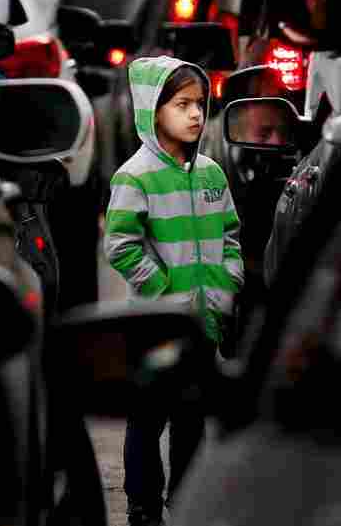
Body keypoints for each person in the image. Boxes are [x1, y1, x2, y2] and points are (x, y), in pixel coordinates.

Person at [104, 56, 245, 526]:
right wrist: (162, 289)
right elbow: (120, 245)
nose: (195, 115)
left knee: (192, 419)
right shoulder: (134, 175)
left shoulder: (211, 174)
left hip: (204, 323)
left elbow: (230, 237)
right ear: (152, 108)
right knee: (146, 419)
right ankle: (143, 507)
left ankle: (186, 504)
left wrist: (227, 287)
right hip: (156, 326)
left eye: (200, 104)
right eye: (182, 104)